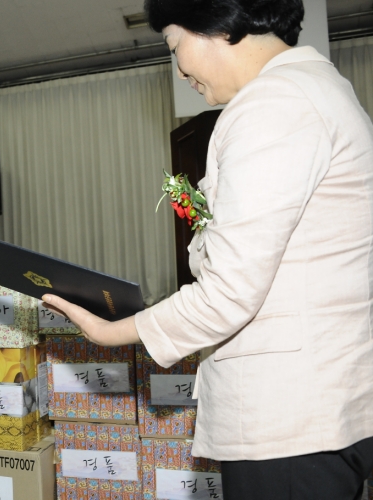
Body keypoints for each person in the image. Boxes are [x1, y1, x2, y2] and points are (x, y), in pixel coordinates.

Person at [42, 0, 373, 498]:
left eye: (175, 46)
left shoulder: (273, 104)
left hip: (288, 420)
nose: (180, 71)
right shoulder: (323, 89)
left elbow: (230, 290)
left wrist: (115, 331)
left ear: (215, 23)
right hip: (324, 405)